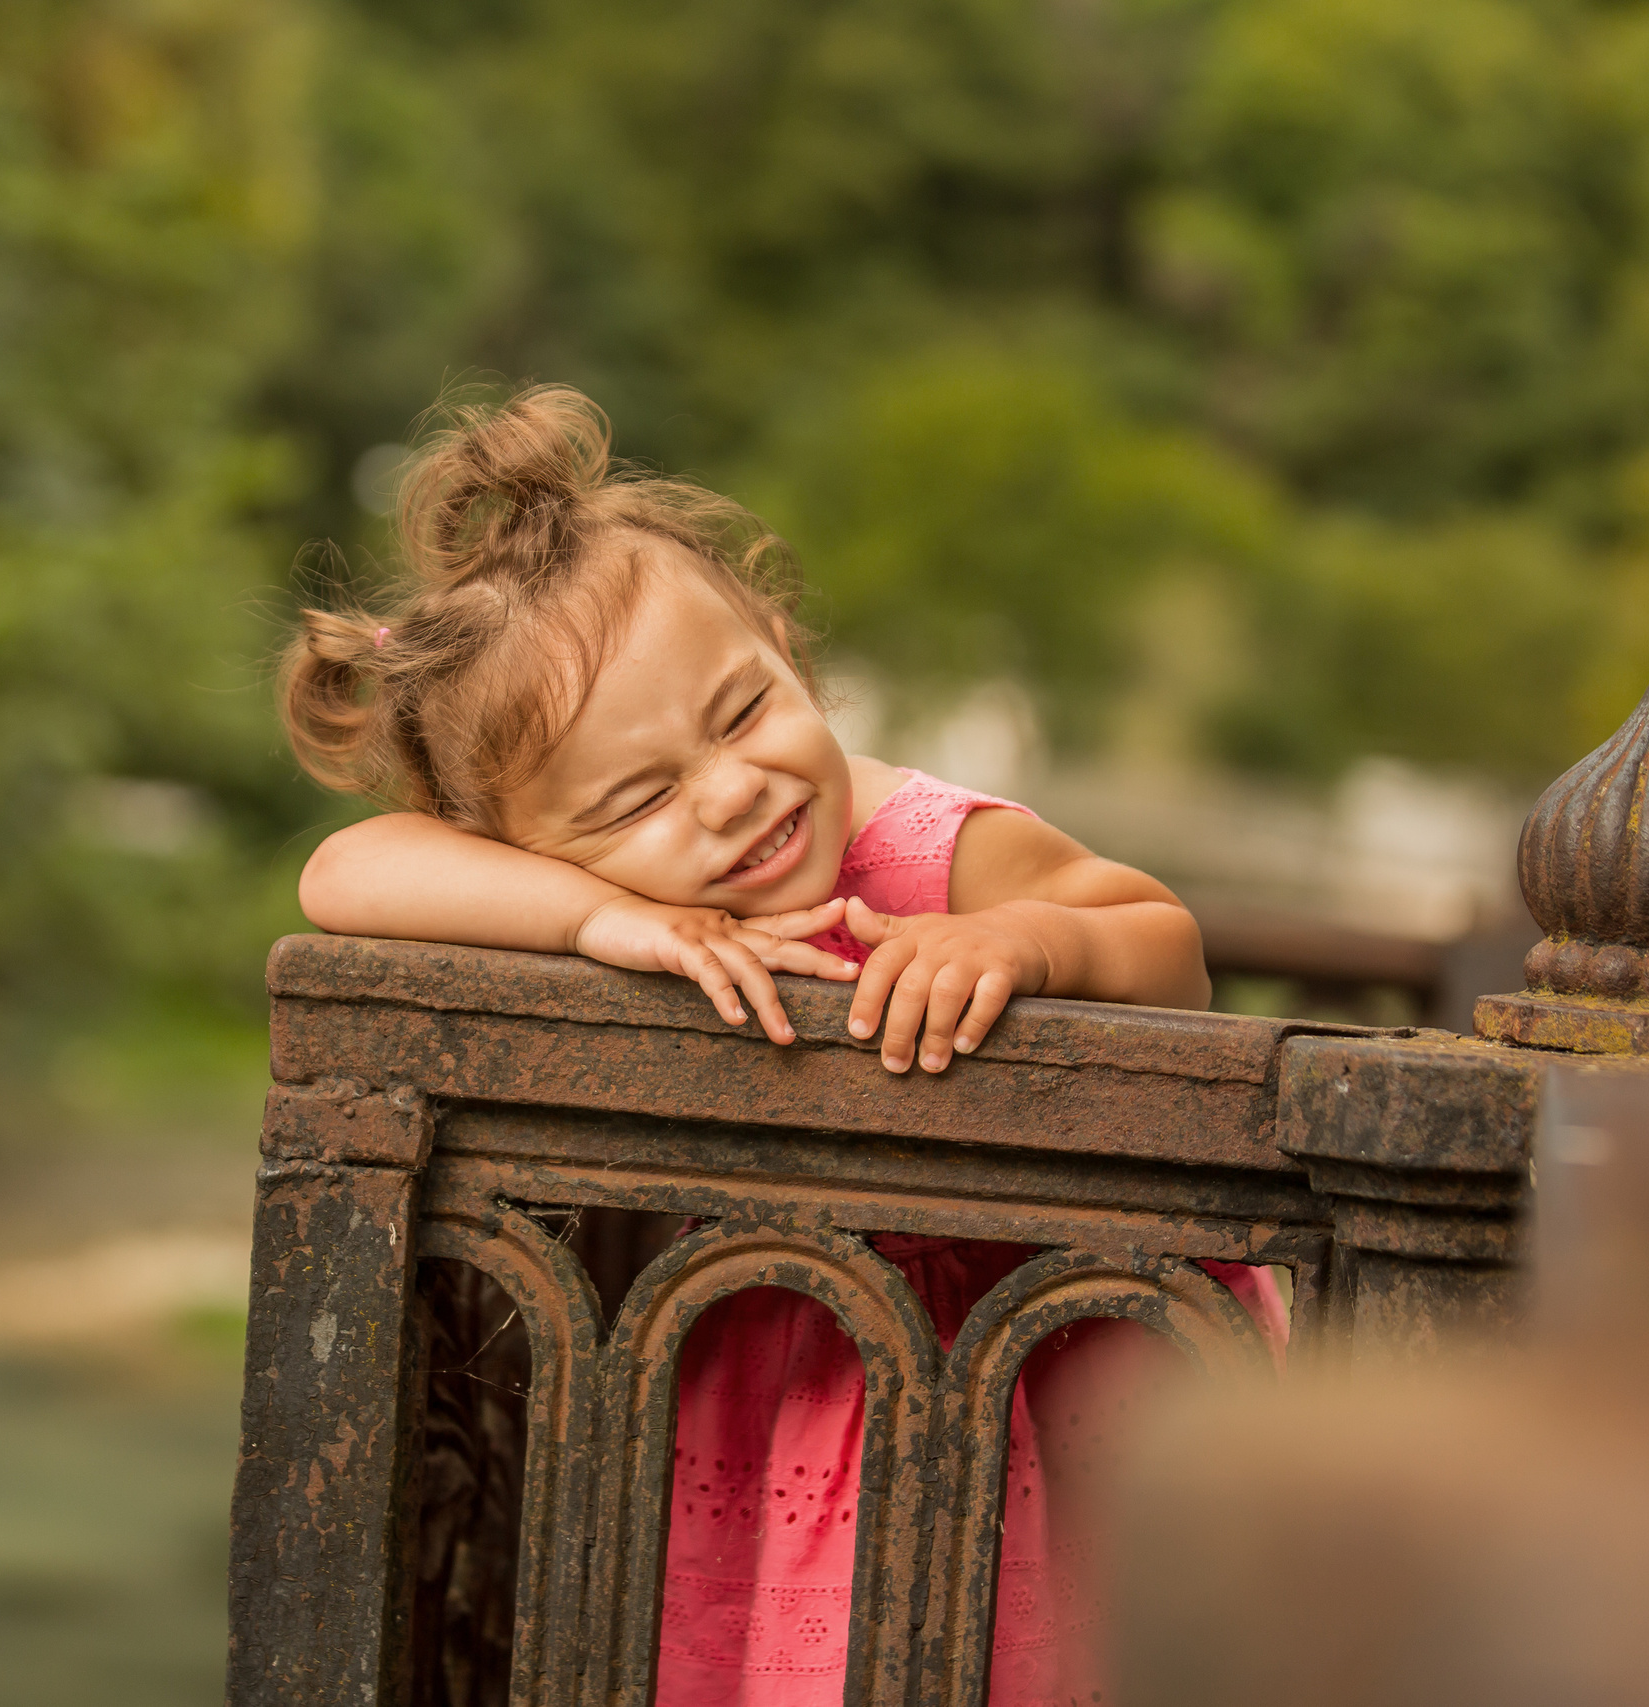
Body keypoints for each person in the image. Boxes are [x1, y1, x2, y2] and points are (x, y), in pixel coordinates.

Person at [280, 384, 1286, 1706]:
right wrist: (605, 922)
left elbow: (1163, 942)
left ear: (779, 641)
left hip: (1057, 1360)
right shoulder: (604, 901)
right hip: (791, 1358)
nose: (735, 788)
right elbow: (343, 875)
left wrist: (1028, 945)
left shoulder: (926, 845)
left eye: (747, 711)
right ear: (527, 843)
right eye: (641, 799)